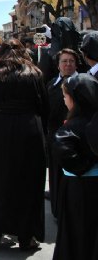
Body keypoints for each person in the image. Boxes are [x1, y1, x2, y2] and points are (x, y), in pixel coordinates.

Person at [0, 39, 47, 251]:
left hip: (0, 128)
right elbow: (43, 105)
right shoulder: (34, 73)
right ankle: (27, 235)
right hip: (29, 127)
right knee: (28, 180)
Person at [52, 74, 98, 260]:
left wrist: (86, 164)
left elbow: (65, 154)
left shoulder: (72, 127)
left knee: (77, 235)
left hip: (79, 189)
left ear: (75, 98)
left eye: (65, 96)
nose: (64, 100)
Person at [45, 48, 79, 218]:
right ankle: (57, 210)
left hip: (75, 141)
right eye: (64, 61)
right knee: (55, 175)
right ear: (58, 65)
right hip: (54, 139)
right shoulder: (51, 84)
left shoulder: (82, 83)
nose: (68, 64)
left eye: (71, 61)